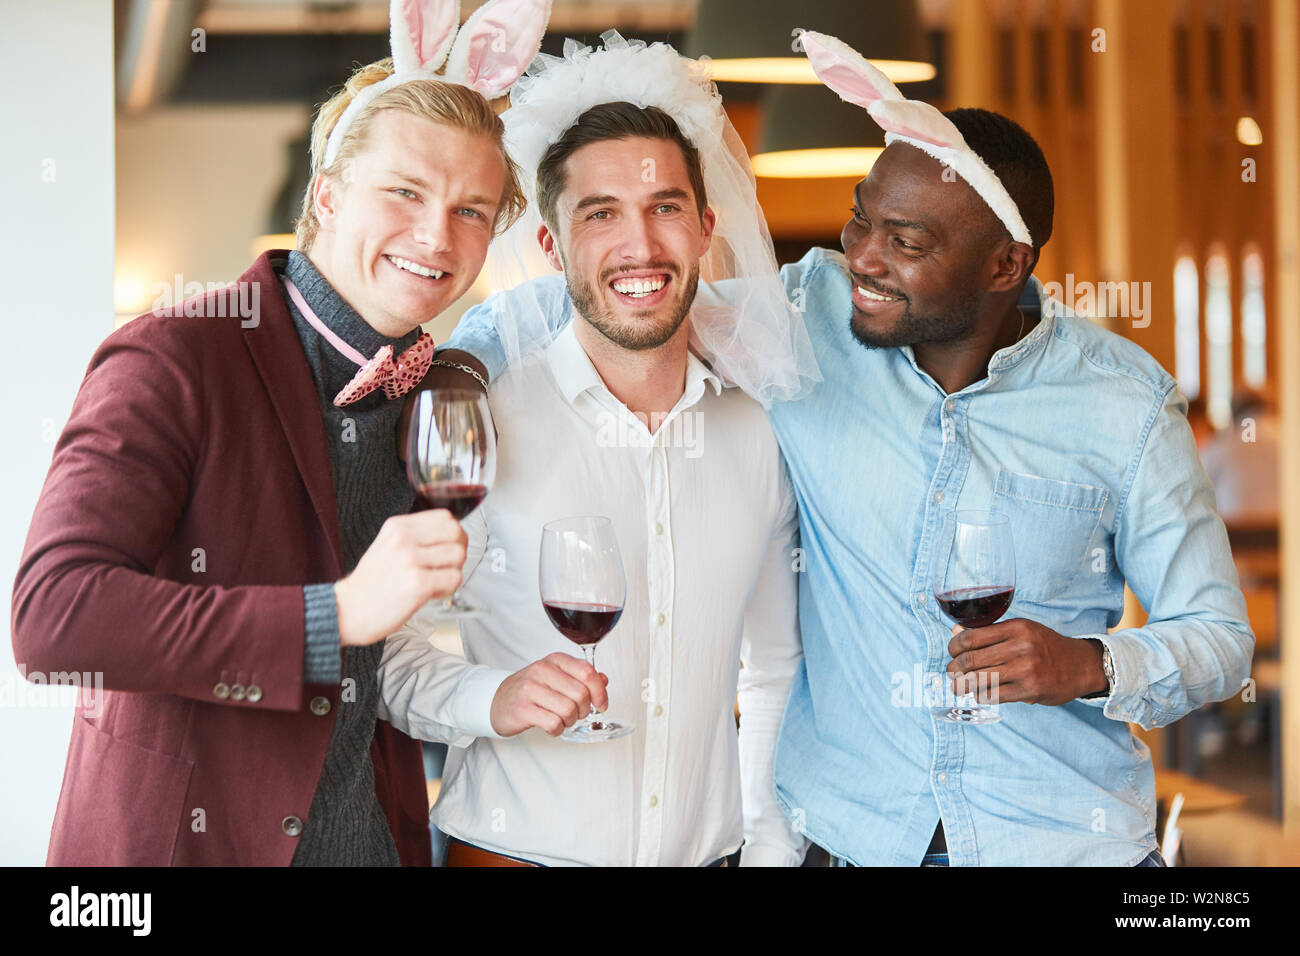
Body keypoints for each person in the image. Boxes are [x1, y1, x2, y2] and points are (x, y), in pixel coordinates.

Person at [432, 29, 1255, 866]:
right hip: (855, 842)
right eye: (861, 219)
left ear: (1005, 265)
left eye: (906, 243)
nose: (860, 257)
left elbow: (1220, 638)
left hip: (1064, 842)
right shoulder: (805, 317)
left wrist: (1089, 664)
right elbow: (612, 292)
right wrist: (459, 365)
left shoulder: (1124, 401)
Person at [10, 0, 547, 865]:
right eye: (405, 192)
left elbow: (388, 667)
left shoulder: (428, 394)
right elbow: (53, 617)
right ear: (326, 196)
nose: (435, 235)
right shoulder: (174, 357)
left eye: (472, 210)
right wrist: (333, 615)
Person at [379, 32, 817, 867]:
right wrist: (491, 697)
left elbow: (772, 673)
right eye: (601, 214)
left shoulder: (760, 431)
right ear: (551, 247)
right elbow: (389, 649)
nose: (640, 247)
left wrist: (768, 852)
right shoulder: (478, 418)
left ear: (705, 228)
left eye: (665, 208)